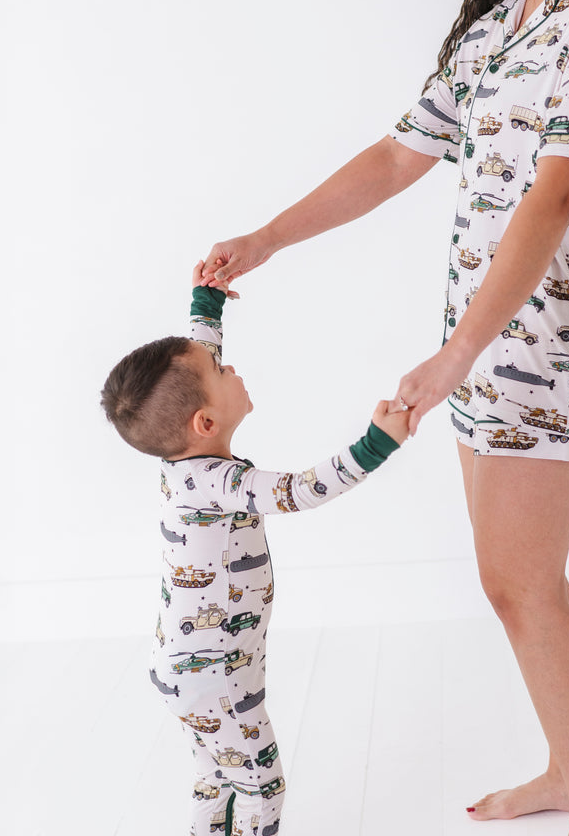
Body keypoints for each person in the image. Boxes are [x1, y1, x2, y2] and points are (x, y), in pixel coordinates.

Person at [202, 0, 569, 833]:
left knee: (521, 584)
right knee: (517, 583)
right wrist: (267, 239)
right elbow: (397, 156)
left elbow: (558, 194)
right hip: (481, 338)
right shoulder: (504, 19)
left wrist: (459, 353)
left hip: (551, 342)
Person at [100, 262, 410, 836]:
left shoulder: (180, 463)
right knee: (261, 787)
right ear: (205, 421)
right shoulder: (223, 483)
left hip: (187, 667)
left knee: (214, 776)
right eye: (221, 371)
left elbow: (196, 360)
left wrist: (208, 302)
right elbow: (300, 490)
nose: (230, 366)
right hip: (217, 674)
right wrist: (375, 445)